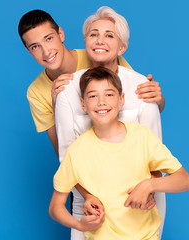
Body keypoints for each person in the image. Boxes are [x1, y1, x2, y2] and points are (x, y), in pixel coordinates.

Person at [54, 6, 166, 239]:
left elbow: (156, 152)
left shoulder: (141, 87)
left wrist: (149, 190)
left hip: (138, 201)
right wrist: (89, 197)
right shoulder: (67, 89)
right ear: (85, 40)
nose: (100, 40)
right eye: (93, 34)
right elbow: (66, 156)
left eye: (109, 35)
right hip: (90, 203)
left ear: (122, 47)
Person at [49, 66, 189, 239]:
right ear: (83, 104)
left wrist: (149, 185)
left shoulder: (142, 137)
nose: (101, 101)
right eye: (93, 96)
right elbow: (55, 206)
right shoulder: (77, 151)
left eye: (109, 94)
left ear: (121, 100)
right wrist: (79, 224)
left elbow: (185, 180)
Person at [18, 9, 165, 156]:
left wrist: (158, 99)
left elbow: (137, 98)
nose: (46, 51)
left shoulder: (100, 53)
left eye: (49, 38)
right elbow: (62, 150)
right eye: (35, 46)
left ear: (61, 34)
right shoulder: (37, 92)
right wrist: (58, 104)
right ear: (28, 50)